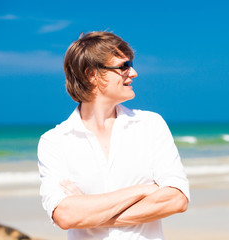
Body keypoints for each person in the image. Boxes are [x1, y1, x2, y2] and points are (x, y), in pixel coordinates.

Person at [37, 31, 190, 240]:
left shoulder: (150, 125)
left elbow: (176, 199)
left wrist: (91, 212)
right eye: (123, 66)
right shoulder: (54, 142)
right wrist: (143, 190)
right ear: (92, 74)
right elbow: (65, 215)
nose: (133, 73)